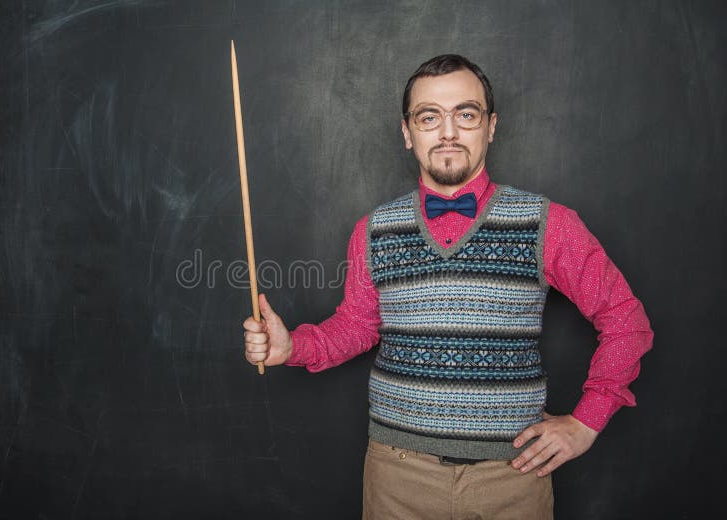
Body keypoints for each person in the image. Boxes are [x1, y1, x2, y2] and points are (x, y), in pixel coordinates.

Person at [242, 54, 653, 519]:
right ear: (407, 132)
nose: (448, 132)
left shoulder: (548, 224)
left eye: (466, 114)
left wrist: (586, 422)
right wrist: (291, 346)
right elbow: (357, 326)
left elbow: (626, 320)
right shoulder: (373, 230)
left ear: (491, 126)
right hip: (397, 476)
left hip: (514, 476)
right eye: (429, 116)